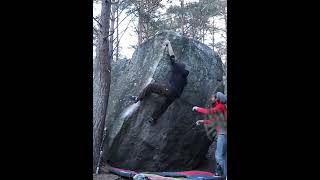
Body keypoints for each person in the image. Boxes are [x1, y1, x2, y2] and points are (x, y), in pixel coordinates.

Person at [129, 40, 189, 125]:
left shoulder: (177, 68)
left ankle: (137, 98)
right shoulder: (185, 78)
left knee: (151, 86)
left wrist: (169, 44)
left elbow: (172, 56)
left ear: (180, 66)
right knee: (164, 106)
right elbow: (183, 86)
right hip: (176, 95)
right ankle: (153, 119)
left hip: (170, 90)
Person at [192, 92, 227, 177]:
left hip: (223, 133)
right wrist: (202, 121)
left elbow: (209, 112)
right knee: (222, 156)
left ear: (217, 99)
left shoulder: (220, 106)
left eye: (213, 97)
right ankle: (219, 173)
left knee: (219, 156)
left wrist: (197, 108)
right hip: (223, 133)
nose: (211, 98)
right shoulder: (221, 107)